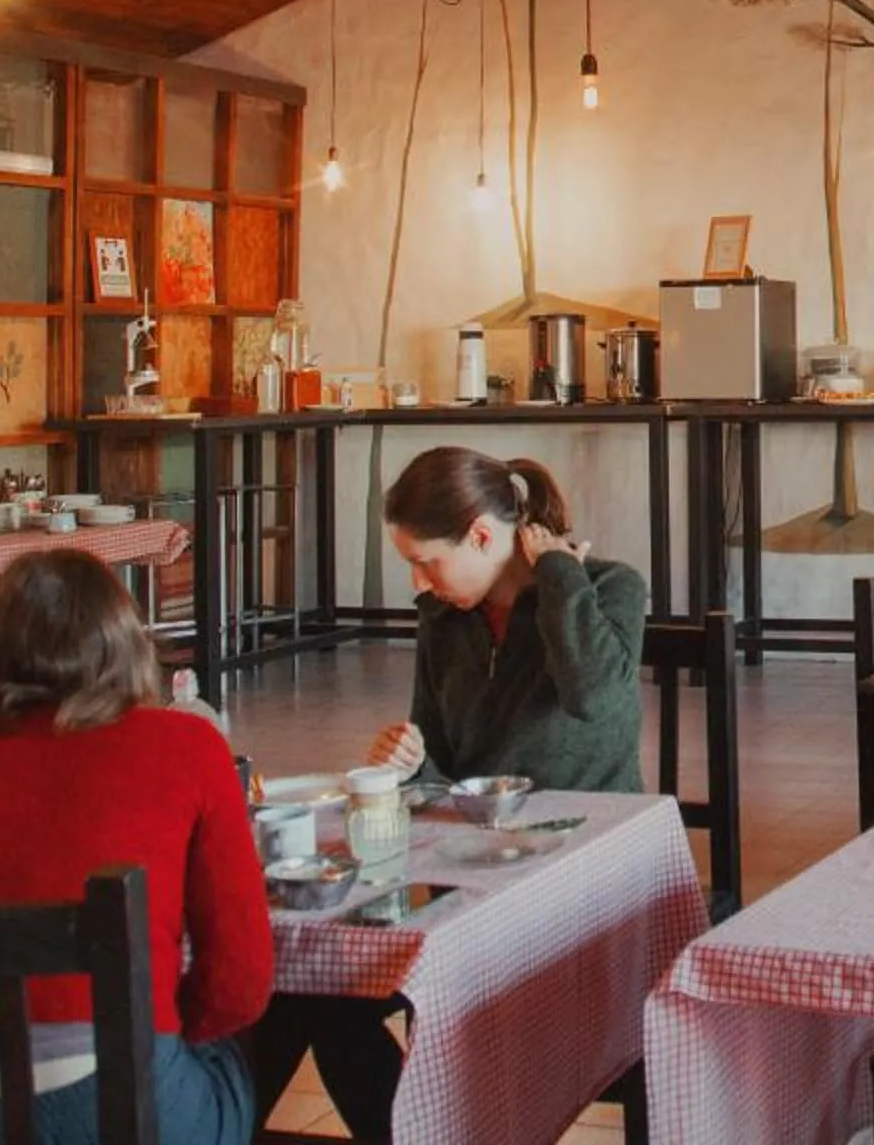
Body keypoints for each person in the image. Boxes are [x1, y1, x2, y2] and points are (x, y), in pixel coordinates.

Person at [252, 447, 647, 1139]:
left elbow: (593, 696)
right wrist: (408, 761)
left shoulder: (608, 588)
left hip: (580, 878)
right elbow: (442, 767)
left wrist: (558, 571)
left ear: (483, 537)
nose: (420, 580)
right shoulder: (443, 620)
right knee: (317, 990)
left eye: (427, 560)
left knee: (321, 992)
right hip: (471, 868)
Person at [0, 550, 269, 1145]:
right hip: (119, 1105)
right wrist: (165, 1028)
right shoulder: (187, 747)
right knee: (237, 1058)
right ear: (124, 642)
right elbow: (239, 986)